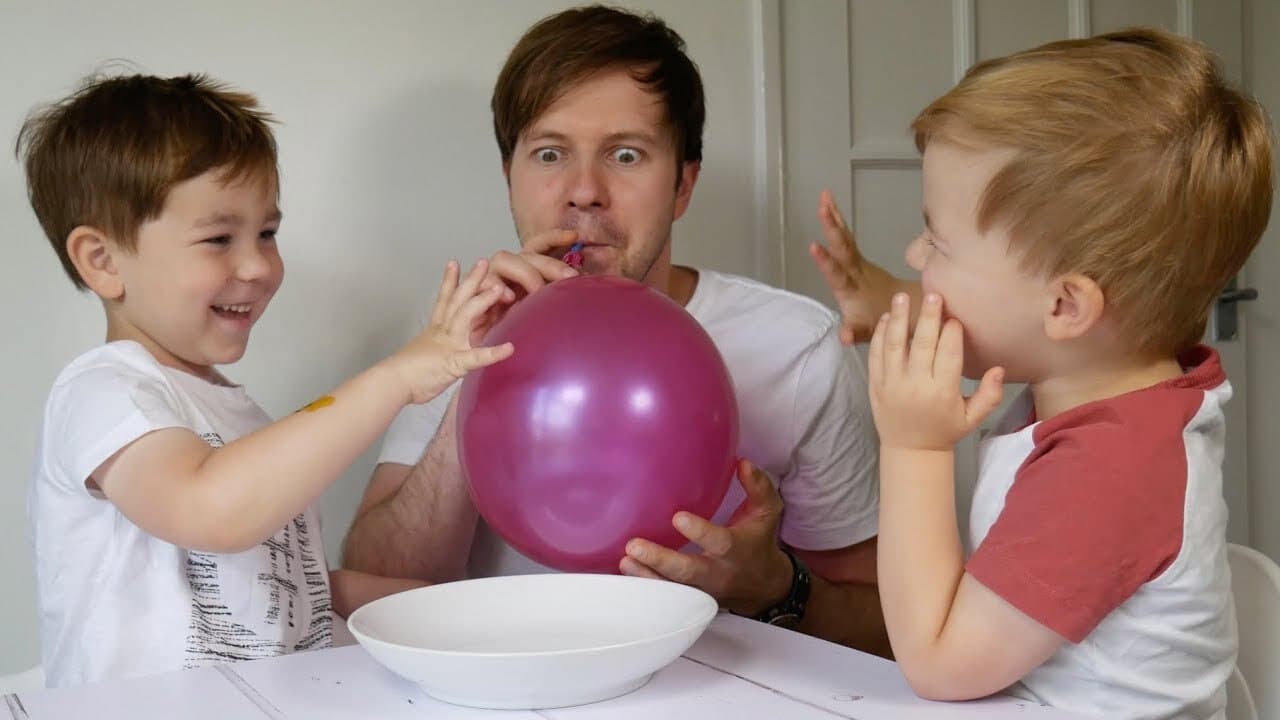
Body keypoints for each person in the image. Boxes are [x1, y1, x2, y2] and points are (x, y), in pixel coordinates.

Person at [342, 5, 889, 654]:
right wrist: (477, 372)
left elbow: (888, 629)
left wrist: (774, 586)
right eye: (549, 154)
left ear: (683, 185)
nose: (584, 192)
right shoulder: (458, 331)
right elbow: (379, 588)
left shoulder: (798, 348)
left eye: (625, 155)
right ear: (508, 178)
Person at [815, 28, 1270, 718]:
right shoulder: (1109, 381)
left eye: (936, 240)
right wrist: (888, 303)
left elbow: (938, 662)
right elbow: (1000, 322)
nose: (913, 251)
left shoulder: (1109, 470)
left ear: (1065, 304)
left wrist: (914, 446)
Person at [20, 73, 512, 687]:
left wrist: (450, 608)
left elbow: (288, 590)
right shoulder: (100, 392)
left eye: (268, 233)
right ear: (103, 261)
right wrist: (396, 378)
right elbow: (215, 512)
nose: (257, 266)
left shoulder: (239, 421)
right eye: (219, 239)